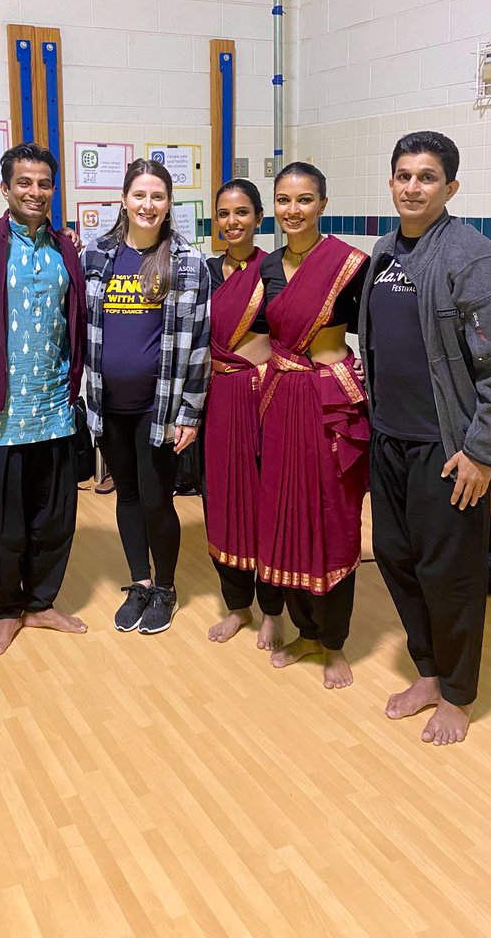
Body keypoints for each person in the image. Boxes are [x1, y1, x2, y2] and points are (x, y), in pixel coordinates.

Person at [358, 131, 491, 745]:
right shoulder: (383, 253)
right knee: (398, 560)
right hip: (390, 440)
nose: (412, 187)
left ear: (450, 187)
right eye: (403, 175)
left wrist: (483, 453)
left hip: (447, 449)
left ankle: (458, 692)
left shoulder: (471, 257)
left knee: (449, 572)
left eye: (427, 177)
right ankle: (428, 670)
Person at [0, 143, 88, 656]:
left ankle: (42, 601)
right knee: (4, 522)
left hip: (54, 408)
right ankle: (7, 609)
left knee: (54, 517)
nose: (35, 192)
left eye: (44, 183)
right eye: (24, 183)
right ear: (4, 189)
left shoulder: (65, 249)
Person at [82, 158, 211, 634]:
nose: (148, 204)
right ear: (124, 199)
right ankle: (139, 581)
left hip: (159, 409)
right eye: (140, 195)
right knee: (129, 496)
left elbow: (199, 343)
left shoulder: (186, 261)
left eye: (158, 196)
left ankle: (167, 587)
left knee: (158, 500)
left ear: (169, 203)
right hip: (107, 403)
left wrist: (189, 412)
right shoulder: (98, 255)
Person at [258, 163, 369, 688]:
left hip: (330, 405)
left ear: (323, 204)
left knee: (332, 519)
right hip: (281, 401)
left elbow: (373, 334)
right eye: (283, 200)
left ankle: (335, 644)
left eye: (304, 200)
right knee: (285, 515)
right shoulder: (266, 270)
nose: (293, 210)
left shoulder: (350, 265)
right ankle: (304, 631)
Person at [203, 179, 285, 649]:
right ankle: (238, 606)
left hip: (265, 398)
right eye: (224, 214)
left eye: (242, 213)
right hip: (220, 400)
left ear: (258, 217)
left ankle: (272, 610)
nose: (232, 222)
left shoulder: (275, 271)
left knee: (266, 500)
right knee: (223, 500)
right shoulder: (205, 272)